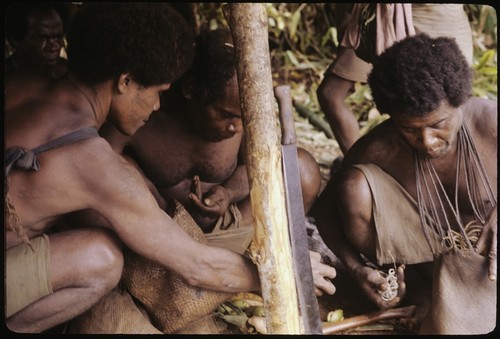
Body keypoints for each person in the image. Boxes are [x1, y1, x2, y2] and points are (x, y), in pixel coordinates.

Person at [4, 4, 262, 333]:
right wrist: (273, 272)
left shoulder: (21, 81)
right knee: (102, 258)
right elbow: (196, 265)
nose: (155, 107)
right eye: (157, 93)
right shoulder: (92, 161)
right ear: (126, 81)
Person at [99, 28, 336, 291]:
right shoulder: (143, 114)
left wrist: (229, 192)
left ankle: (256, 262)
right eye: (225, 114)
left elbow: (261, 166)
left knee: (300, 168)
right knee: (123, 168)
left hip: (235, 230)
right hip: (165, 244)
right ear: (190, 90)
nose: (235, 127)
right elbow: (101, 175)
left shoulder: (243, 119)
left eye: (241, 117)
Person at [311, 33, 496, 334]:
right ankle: (422, 290)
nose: (426, 141)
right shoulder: (380, 147)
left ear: (460, 101)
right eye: (409, 129)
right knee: (352, 186)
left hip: (489, 262)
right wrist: (356, 269)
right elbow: (325, 210)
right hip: (428, 264)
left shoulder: (491, 123)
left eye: (438, 124)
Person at [317, 4, 473, 157]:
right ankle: (361, 165)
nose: (426, 140)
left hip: (432, 15)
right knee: (331, 94)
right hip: (383, 17)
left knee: (441, 107)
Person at [5, 2, 70, 112]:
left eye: (58, 37)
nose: (54, 45)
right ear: (15, 39)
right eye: (43, 37)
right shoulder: (7, 78)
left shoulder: (67, 72)